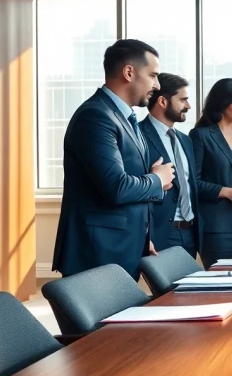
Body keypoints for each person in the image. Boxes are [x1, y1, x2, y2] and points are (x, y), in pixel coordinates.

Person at [52, 39, 174, 280]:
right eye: (153, 75)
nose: (157, 85)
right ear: (129, 72)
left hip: (125, 248)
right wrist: (157, 180)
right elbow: (116, 187)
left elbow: (129, 180)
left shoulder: (124, 116)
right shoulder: (96, 116)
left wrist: (143, 237)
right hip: (97, 254)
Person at [189, 78, 232, 268]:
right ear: (222, 103)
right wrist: (227, 192)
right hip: (216, 229)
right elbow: (193, 182)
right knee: (223, 286)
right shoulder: (200, 135)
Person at [138, 73, 201, 259]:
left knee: (190, 289)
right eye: (183, 100)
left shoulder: (185, 140)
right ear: (163, 102)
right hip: (161, 233)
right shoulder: (138, 136)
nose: (188, 106)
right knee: (167, 289)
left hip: (190, 233)